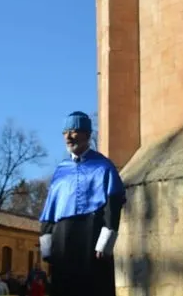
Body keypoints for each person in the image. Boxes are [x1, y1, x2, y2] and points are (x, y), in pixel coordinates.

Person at [39, 111, 126, 296]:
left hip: (92, 234)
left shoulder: (104, 166)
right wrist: (46, 239)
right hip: (62, 237)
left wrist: (106, 239)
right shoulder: (61, 170)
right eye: (65, 132)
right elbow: (50, 208)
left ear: (87, 134)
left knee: (93, 286)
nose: (68, 137)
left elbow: (113, 202)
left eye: (73, 131)